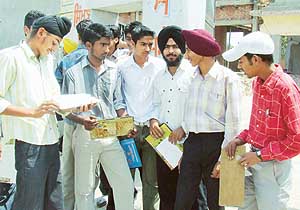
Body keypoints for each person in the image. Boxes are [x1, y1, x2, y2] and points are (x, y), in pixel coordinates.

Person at [0, 15, 72, 210]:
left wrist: (74, 106)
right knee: (29, 204)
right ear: (41, 33)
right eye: (54, 42)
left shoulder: (47, 61)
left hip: (51, 141)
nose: (54, 48)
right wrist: (31, 112)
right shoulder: (11, 57)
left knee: (55, 203)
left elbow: (54, 98)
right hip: (28, 144)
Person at [222, 31, 300, 210]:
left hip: (274, 168)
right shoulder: (258, 82)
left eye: (241, 61)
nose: (240, 66)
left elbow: (296, 140)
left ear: (255, 59)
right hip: (253, 162)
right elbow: (258, 126)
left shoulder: (285, 88)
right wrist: (240, 138)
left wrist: (260, 156)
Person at [62, 23, 134, 210]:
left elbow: (118, 102)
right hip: (84, 136)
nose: (107, 49)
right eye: (102, 44)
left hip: (110, 135)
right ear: (88, 45)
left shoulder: (113, 70)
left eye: (109, 45)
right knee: (84, 190)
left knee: (125, 185)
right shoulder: (73, 73)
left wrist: (126, 123)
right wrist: (82, 120)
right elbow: (65, 110)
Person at [172, 29, 242, 210]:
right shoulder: (190, 78)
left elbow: (234, 123)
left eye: (189, 51)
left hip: (216, 144)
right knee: (182, 200)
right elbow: (190, 113)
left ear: (202, 51)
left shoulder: (228, 78)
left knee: (215, 202)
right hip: (193, 143)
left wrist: (223, 159)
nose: (186, 56)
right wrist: (184, 134)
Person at [150, 25, 201, 210]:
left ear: (182, 48)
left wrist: (184, 128)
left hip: (188, 143)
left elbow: (198, 108)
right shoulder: (158, 76)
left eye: (175, 46)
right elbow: (155, 103)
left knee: (190, 194)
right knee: (166, 191)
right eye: (166, 47)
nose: (170, 51)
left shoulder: (193, 75)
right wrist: (153, 120)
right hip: (164, 144)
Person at [118, 24, 165, 210]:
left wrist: (154, 118)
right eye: (143, 44)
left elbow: (160, 97)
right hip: (128, 131)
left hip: (151, 131)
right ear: (132, 43)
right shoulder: (122, 67)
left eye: (150, 45)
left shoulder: (159, 66)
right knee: (125, 179)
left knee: (151, 181)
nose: (147, 49)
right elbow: (118, 98)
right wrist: (123, 116)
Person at [53, 18, 95, 210]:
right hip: (93, 123)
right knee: (87, 174)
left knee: (69, 171)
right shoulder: (98, 59)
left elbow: (56, 88)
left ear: (78, 36)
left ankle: (68, 206)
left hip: (71, 121)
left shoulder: (66, 59)